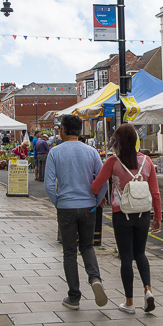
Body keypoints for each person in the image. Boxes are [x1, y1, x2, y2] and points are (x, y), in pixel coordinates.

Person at [91, 123, 161, 314]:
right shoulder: (147, 162)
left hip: (121, 214)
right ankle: (148, 289)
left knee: (126, 258)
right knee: (140, 253)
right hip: (143, 214)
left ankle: (129, 302)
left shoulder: (113, 162)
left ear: (118, 141)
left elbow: (96, 186)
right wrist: (158, 217)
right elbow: (155, 192)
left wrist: (101, 196)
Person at [45, 114, 108, 310]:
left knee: (69, 252)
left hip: (66, 206)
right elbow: (103, 180)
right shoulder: (91, 152)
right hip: (88, 206)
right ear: (79, 131)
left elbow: (48, 184)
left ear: (63, 130)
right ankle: (95, 278)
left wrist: (58, 202)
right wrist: (96, 201)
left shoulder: (55, 152)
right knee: (87, 246)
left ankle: (74, 297)